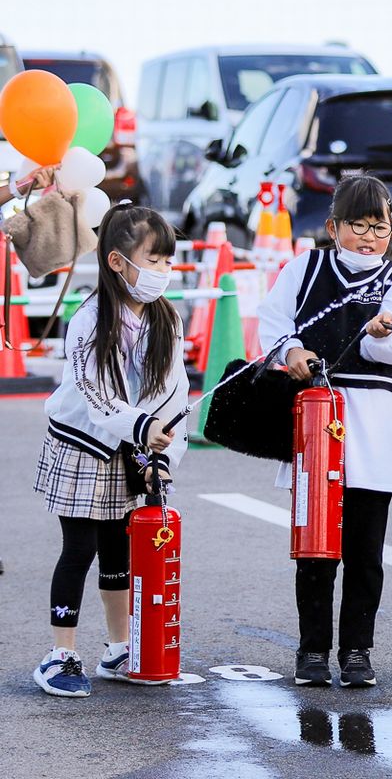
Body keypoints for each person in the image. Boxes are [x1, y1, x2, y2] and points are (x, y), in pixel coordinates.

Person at [257, 175, 392, 688]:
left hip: (371, 430)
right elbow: (272, 321)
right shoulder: (303, 268)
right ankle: (311, 651)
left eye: (380, 227)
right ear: (332, 227)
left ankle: (356, 651)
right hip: (314, 425)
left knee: (366, 553)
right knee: (315, 548)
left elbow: (390, 350)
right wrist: (293, 353)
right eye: (357, 226)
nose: (369, 237)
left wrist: (379, 332)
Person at [32, 204, 188, 697]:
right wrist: (142, 427)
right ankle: (60, 655)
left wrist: (162, 457)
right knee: (79, 549)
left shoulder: (167, 319)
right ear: (118, 262)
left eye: (168, 261)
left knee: (121, 551)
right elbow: (96, 396)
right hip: (82, 445)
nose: (164, 271)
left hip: (132, 447)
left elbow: (174, 392)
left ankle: (118, 648)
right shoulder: (89, 317)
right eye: (155, 260)